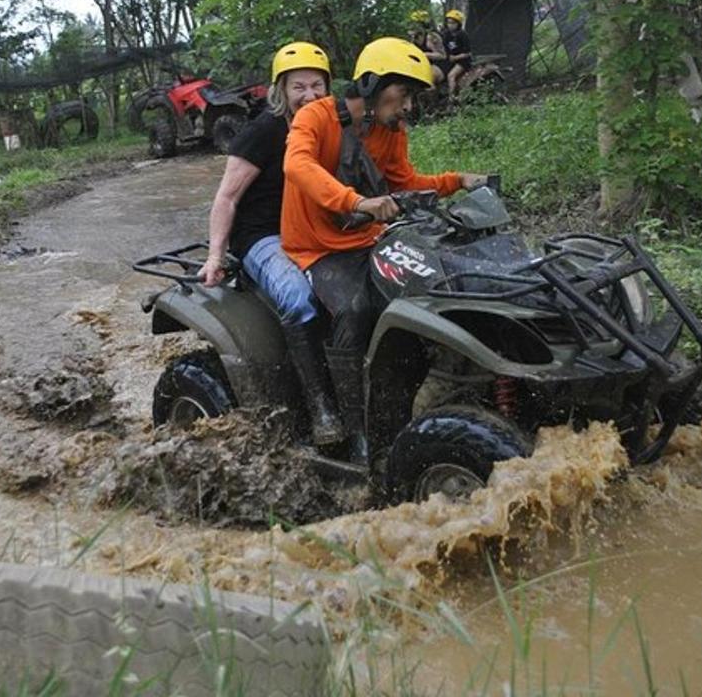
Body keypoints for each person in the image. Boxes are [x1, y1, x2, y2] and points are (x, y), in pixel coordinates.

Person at [281, 37, 486, 453]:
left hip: (369, 238)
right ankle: (351, 427)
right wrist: (356, 201)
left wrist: (456, 181)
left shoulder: (389, 131)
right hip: (317, 248)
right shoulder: (315, 118)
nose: (408, 105)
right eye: (404, 93)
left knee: (424, 289)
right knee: (355, 309)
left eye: (412, 96)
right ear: (373, 84)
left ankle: (412, 394)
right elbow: (296, 164)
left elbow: (404, 181)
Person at [196, 41, 347, 446]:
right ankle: (322, 410)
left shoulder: (332, 125)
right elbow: (226, 197)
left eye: (317, 85)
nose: (309, 95)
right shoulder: (264, 131)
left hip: (316, 227)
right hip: (266, 235)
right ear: (280, 90)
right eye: (299, 87)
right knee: (298, 298)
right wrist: (215, 256)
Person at [407, 9, 446, 89]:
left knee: (427, 79)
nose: (412, 27)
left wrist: (425, 55)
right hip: (423, 65)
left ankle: (432, 97)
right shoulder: (413, 38)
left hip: (439, 65)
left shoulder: (432, 37)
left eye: (415, 25)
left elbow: (442, 56)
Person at [441, 8, 473, 98]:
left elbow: (468, 53)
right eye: (448, 22)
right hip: (450, 59)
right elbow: (444, 48)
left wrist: (456, 57)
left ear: (458, 24)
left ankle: (451, 98)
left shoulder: (463, 35)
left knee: (451, 75)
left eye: (453, 23)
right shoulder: (446, 34)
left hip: (463, 61)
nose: (450, 25)